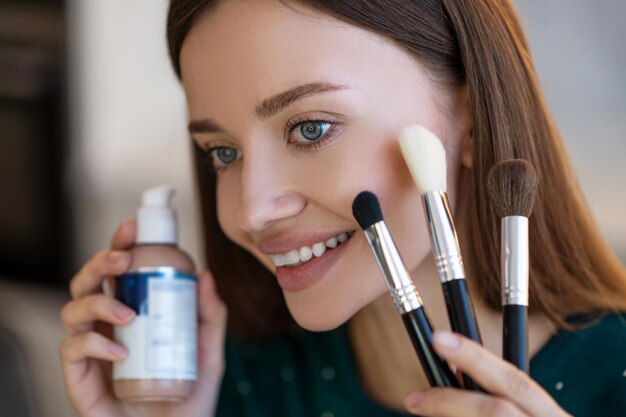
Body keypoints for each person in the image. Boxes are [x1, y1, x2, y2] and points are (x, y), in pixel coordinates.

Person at [59, 0, 626, 416]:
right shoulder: (237, 380)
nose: (251, 211)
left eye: (311, 128)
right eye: (223, 152)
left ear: (472, 117)